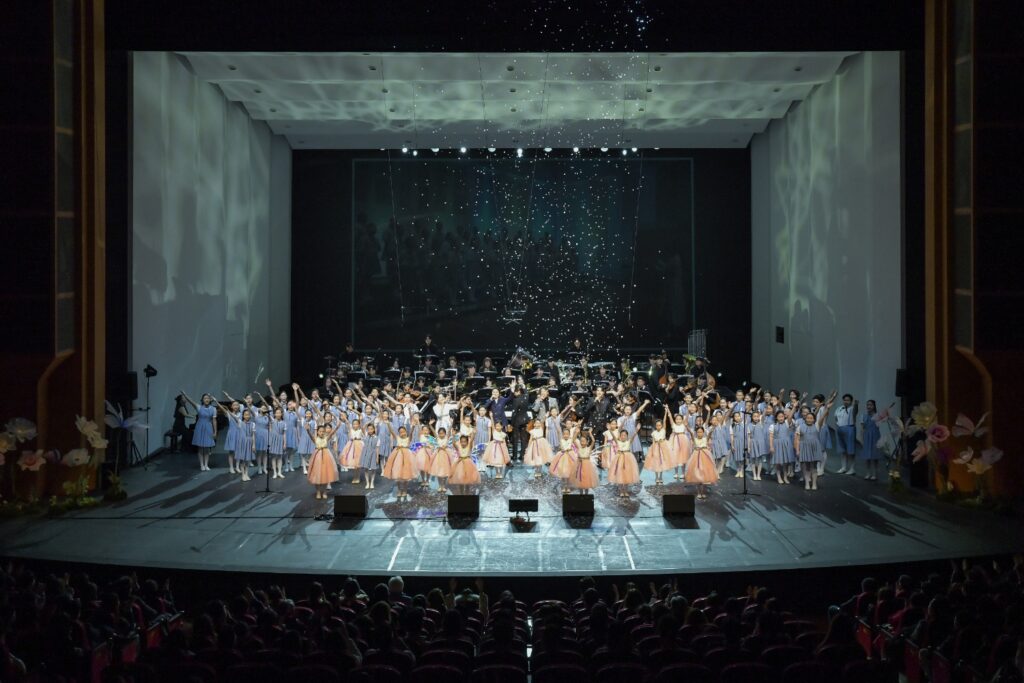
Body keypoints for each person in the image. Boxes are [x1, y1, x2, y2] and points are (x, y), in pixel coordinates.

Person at [794, 391, 836, 491]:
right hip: (804, 448)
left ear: (814, 419)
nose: (809, 419)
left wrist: (828, 408)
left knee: (814, 467)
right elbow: (797, 439)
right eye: (808, 418)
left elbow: (822, 416)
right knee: (806, 466)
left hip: (814, 448)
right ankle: (807, 483)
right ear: (805, 419)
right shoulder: (800, 427)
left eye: (811, 418)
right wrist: (797, 450)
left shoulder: (817, 425)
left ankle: (814, 483)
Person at [181, 391, 217, 471]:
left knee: (207, 447)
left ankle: (206, 464)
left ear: (210, 400)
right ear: (202, 400)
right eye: (205, 398)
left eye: (208, 398)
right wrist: (185, 395)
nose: (206, 399)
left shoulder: (213, 409)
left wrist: (215, 431)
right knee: (200, 447)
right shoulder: (199, 407)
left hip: (208, 428)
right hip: (200, 427)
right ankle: (202, 465)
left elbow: (214, 421)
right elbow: (191, 401)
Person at [381, 424, 417, 501]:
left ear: (406, 432)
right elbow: (392, 431)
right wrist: (388, 424)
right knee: (397, 475)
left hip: (407, 457)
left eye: (404, 431)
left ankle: (405, 490)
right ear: (399, 433)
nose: (402, 433)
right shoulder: (397, 438)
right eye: (401, 432)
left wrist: (413, 427)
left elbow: (411, 433)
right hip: (397, 457)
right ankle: (399, 489)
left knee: (405, 475)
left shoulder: (408, 439)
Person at [685, 425, 718, 500]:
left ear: (703, 432)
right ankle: (698, 492)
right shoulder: (695, 439)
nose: (700, 433)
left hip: (705, 457)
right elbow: (691, 434)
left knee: (703, 476)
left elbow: (709, 434)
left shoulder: (705, 439)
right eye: (698, 432)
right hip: (696, 458)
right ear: (696, 433)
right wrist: (688, 428)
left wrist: (712, 429)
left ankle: (702, 492)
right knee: (697, 475)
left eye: (701, 432)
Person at [642, 409, 674, 486]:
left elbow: (664, 420)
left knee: (662, 462)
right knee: (656, 462)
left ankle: (661, 477)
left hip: (663, 448)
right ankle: (656, 477)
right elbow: (653, 442)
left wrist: (665, 412)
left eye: (660, 425)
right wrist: (652, 451)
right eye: (657, 425)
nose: (658, 426)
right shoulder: (654, 433)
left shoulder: (663, 430)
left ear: (662, 425)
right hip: (656, 448)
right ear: (655, 426)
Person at [858, 399, 883, 481]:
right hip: (867, 436)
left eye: (871, 405)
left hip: (875, 436)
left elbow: (878, 426)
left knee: (875, 455)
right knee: (867, 455)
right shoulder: (863, 416)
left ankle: (875, 473)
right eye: (868, 405)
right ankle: (868, 473)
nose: (869, 406)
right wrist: (861, 438)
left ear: (874, 406)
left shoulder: (877, 416)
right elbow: (862, 428)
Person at [835, 394, 858, 476]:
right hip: (840, 429)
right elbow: (836, 418)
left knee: (850, 450)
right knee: (842, 450)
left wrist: (856, 405)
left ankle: (852, 468)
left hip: (849, 429)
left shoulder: (852, 408)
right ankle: (843, 467)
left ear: (851, 401)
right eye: (844, 400)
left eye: (848, 400)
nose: (846, 401)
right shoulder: (839, 408)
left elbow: (855, 411)